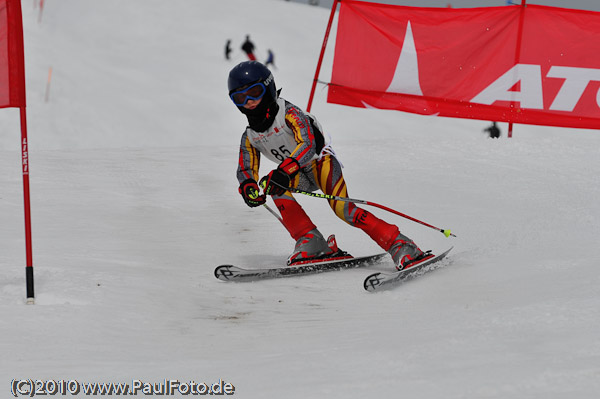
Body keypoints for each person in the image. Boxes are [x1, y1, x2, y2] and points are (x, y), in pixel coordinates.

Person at [229, 61, 425, 268]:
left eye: (255, 92)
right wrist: (248, 186)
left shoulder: (289, 114)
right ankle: (310, 240)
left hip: (321, 164)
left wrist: (283, 171)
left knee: (344, 210)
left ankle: (401, 244)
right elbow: (246, 169)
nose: (249, 101)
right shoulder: (250, 135)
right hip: (296, 174)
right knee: (272, 185)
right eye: (240, 98)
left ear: (268, 88)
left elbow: (308, 144)